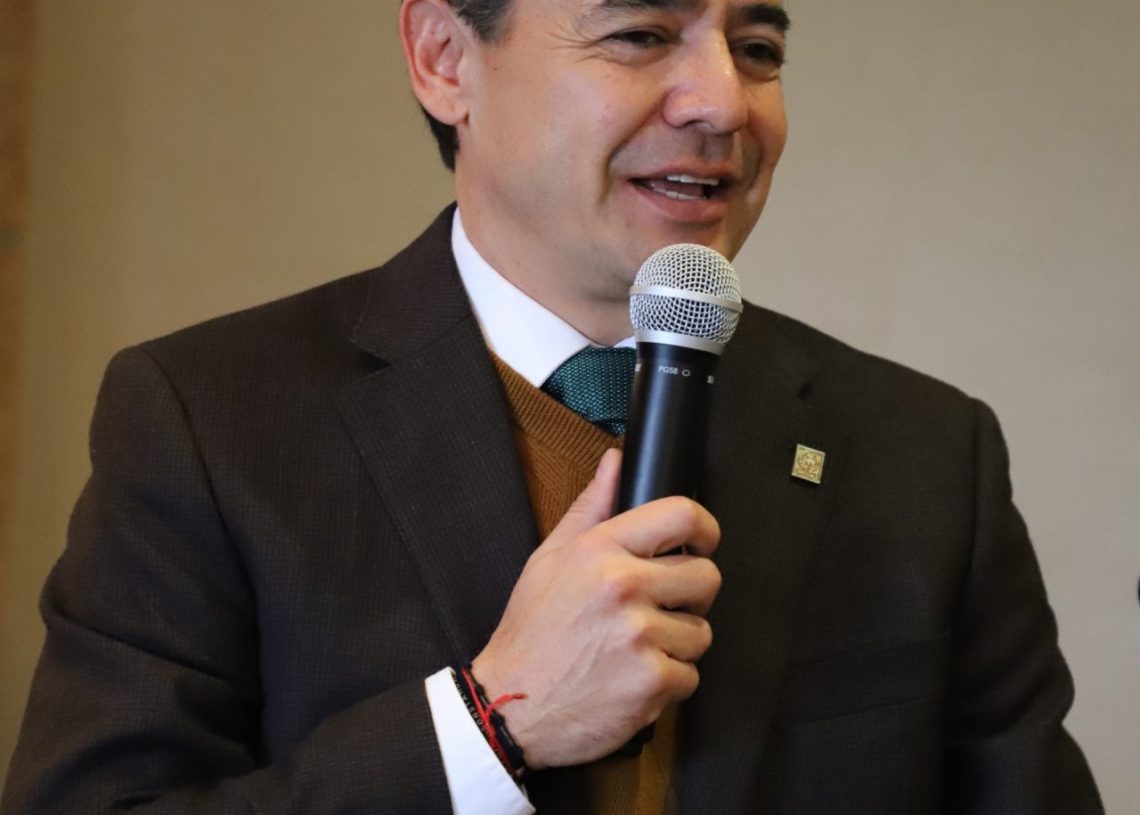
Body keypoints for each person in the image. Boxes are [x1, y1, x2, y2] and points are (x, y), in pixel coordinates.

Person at [2, 0, 1102, 813]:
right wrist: (491, 723)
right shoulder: (210, 419)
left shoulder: (926, 452)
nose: (724, 100)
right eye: (641, 34)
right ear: (445, 59)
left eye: (758, 48)